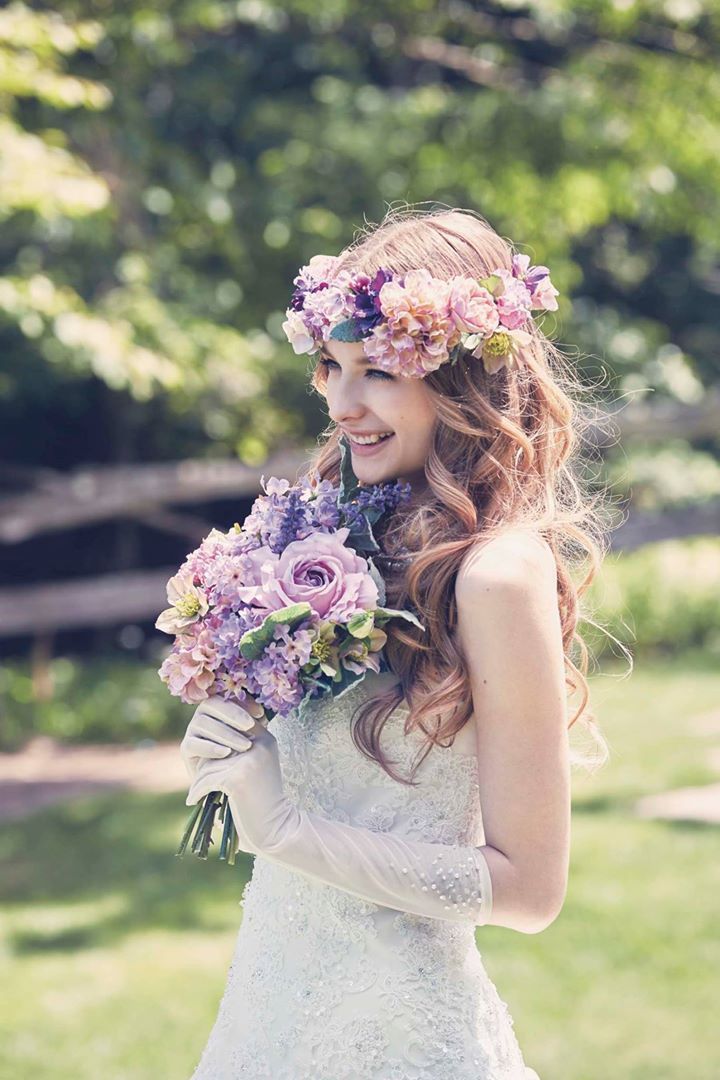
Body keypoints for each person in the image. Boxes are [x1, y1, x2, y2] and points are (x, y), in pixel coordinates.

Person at [180, 204, 614, 1079]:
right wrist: (231, 740)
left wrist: (287, 828)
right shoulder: (328, 542)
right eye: (331, 367)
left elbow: (530, 891)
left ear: (459, 377)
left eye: (377, 370)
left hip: (402, 1035)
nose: (342, 404)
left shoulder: (493, 575)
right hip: (270, 1004)